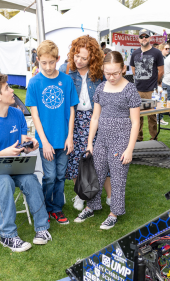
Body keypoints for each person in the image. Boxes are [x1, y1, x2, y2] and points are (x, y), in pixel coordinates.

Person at [0, 73, 51, 252]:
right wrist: (3, 153)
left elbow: (23, 144)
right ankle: (8, 236)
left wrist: (29, 146)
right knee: (5, 182)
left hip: (13, 165)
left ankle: (42, 229)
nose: (12, 90)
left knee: (31, 180)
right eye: (7, 88)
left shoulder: (17, 113)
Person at [74, 51, 140, 229]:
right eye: (107, 73)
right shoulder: (101, 88)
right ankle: (92, 206)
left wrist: (129, 149)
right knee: (97, 173)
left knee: (118, 178)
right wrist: (90, 143)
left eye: (115, 73)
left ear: (123, 69)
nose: (111, 77)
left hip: (121, 139)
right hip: (101, 139)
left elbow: (135, 122)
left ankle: (114, 213)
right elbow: (95, 118)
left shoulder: (130, 89)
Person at [25, 40, 79, 225]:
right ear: (38, 60)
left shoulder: (66, 80)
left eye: (51, 62)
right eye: (43, 63)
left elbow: (72, 110)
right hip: (46, 140)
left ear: (58, 59)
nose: (48, 67)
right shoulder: (34, 83)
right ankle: (46, 207)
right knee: (49, 176)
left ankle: (57, 208)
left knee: (60, 175)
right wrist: (44, 142)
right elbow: (35, 115)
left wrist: (70, 136)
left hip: (63, 138)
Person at [64, 35, 111, 212]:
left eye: (84, 58)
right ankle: (80, 194)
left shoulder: (99, 73)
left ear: (92, 57)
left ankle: (110, 195)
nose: (79, 61)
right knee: (76, 159)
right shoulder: (67, 71)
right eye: (77, 56)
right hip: (75, 121)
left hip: (96, 119)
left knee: (100, 159)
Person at [129, 28, 164, 141]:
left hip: (151, 90)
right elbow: (133, 70)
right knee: (136, 115)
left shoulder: (157, 52)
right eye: (141, 36)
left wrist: (155, 82)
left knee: (152, 116)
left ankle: (154, 137)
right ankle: (138, 138)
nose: (144, 38)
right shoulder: (135, 53)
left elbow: (161, 71)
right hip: (137, 90)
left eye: (146, 36)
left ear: (150, 38)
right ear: (138, 39)